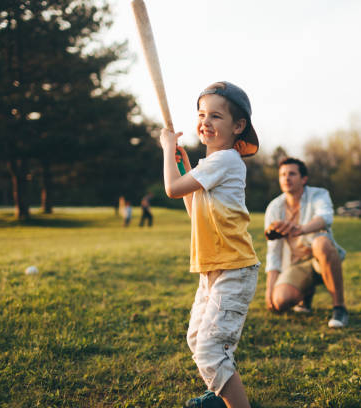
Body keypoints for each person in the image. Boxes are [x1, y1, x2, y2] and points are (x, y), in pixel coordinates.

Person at [159, 81, 260, 408]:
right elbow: (192, 206)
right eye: (202, 114)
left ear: (238, 126)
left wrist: (165, 149)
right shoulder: (211, 167)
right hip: (214, 269)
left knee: (210, 349)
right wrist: (183, 163)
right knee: (197, 340)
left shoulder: (225, 161)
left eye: (216, 116)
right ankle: (220, 395)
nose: (206, 121)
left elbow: (172, 190)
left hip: (234, 269)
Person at [264, 157, 349, 328]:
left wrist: (300, 229)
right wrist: (269, 289)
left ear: (303, 179)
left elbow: (325, 218)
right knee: (280, 301)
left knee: (321, 243)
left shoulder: (318, 194)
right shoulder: (274, 207)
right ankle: (305, 296)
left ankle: (339, 308)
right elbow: (273, 252)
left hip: (322, 259)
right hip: (296, 265)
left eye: (292, 174)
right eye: (282, 174)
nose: (286, 178)